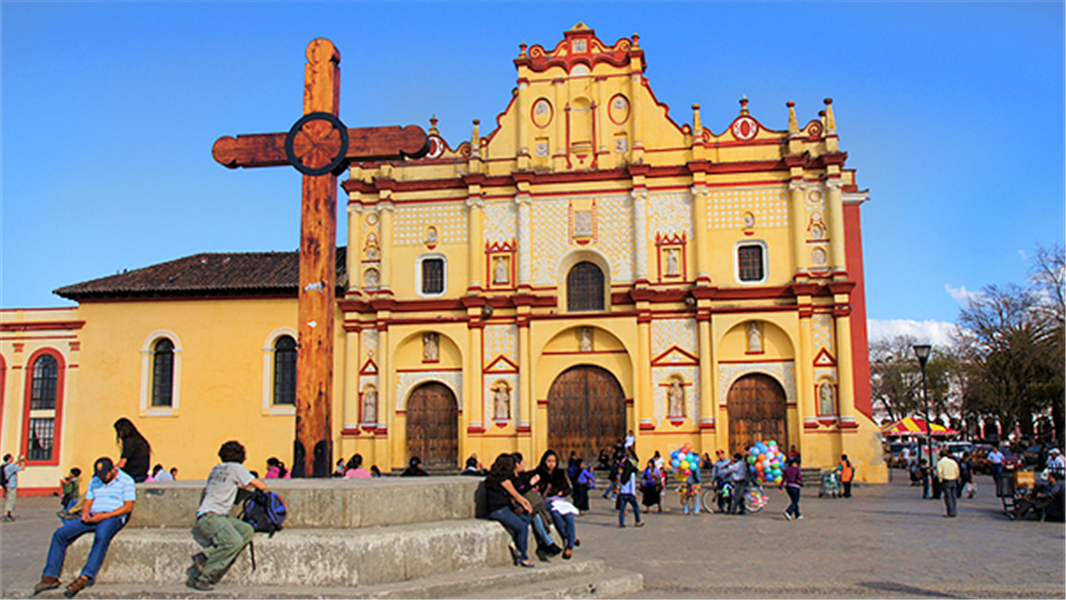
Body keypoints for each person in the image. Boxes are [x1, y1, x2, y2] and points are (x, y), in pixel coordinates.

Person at [32, 457, 136, 597]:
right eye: (99, 475)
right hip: (93, 515)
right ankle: (50, 576)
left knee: (101, 536)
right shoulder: (95, 480)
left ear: (113, 470)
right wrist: (85, 513)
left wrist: (104, 516)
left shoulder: (126, 481)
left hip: (111, 517)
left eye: (104, 474)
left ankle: (85, 576)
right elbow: (88, 501)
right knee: (60, 534)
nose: (102, 478)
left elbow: (128, 507)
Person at [188, 441, 267, 591]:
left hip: (208, 516)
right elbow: (261, 486)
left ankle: (205, 556)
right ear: (242, 457)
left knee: (247, 530)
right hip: (212, 518)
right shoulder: (236, 468)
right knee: (234, 542)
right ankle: (205, 577)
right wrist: (247, 483)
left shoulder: (216, 469)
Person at [482, 454, 534, 568]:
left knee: (525, 518)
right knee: (522, 527)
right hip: (498, 510)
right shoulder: (504, 480)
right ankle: (523, 556)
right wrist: (526, 505)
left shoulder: (494, 477)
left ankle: (516, 543)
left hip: (503, 508)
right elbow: (516, 496)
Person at [512, 452, 561, 560]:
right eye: (522, 462)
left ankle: (547, 542)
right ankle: (548, 542)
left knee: (538, 512)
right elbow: (519, 491)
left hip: (533, 503)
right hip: (523, 505)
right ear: (517, 464)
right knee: (535, 514)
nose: (524, 464)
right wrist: (532, 483)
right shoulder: (513, 479)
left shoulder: (521, 476)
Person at [535, 450, 579, 560]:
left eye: (553, 461)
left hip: (560, 501)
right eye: (549, 461)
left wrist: (561, 492)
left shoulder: (560, 473)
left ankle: (570, 545)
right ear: (544, 461)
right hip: (548, 501)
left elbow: (567, 489)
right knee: (555, 514)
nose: (551, 464)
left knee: (569, 516)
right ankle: (569, 538)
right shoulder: (539, 473)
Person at [113, 418, 151, 483]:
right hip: (142, 475)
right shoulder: (141, 442)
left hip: (132, 476)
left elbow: (122, 463)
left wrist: (111, 469)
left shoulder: (129, 442)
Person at [616, 450, 643, 528]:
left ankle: (621, 522)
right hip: (629, 493)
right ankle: (638, 521)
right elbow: (632, 484)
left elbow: (619, 482)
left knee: (622, 509)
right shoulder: (631, 474)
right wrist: (634, 493)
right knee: (635, 507)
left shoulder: (622, 473)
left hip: (622, 493)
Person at [936, 450, 960, 518]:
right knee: (953, 496)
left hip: (946, 480)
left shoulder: (940, 463)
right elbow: (957, 470)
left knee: (948, 497)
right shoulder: (953, 462)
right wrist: (956, 477)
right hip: (953, 480)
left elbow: (939, 472)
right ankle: (954, 510)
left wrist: (940, 480)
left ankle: (950, 512)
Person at [3, 453, 26, 521]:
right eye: (11, 458)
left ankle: (9, 513)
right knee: (11, 500)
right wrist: (22, 461)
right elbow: (22, 468)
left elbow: (14, 466)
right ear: (9, 459)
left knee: (9, 499)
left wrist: (17, 461)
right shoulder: (11, 466)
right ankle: (6, 514)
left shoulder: (4, 465)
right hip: (12, 485)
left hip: (7, 484)